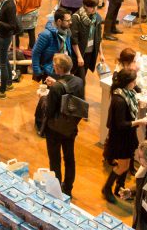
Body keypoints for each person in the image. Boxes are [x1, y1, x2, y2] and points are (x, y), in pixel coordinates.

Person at [42, 54, 84, 196]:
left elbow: (49, 111)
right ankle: (68, 189)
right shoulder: (79, 81)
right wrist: (56, 84)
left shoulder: (56, 88)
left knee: (55, 161)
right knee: (69, 158)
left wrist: (44, 98)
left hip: (54, 129)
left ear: (59, 69)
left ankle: (56, 191)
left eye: (54, 66)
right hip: (70, 127)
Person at [103, 69, 147, 203]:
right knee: (122, 166)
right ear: (127, 83)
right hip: (120, 138)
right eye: (133, 81)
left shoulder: (128, 94)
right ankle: (107, 188)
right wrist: (139, 121)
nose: (135, 84)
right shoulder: (119, 100)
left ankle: (119, 187)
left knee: (127, 163)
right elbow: (121, 124)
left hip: (128, 135)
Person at [32, 9, 74, 82]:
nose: (70, 22)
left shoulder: (67, 31)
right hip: (51, 71)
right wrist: (38, 71)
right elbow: (36, 53)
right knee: (52, 92)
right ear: (59, 21)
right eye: (67, 21)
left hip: (64, 69)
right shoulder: (46, 35)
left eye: (70, 20)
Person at [70, 0, 105, 78]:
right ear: (85, 6)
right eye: (92, 7)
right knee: (80, 78)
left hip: (90, 52)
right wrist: (79, 56)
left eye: (95, 6)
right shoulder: (76, 18)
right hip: (79, 52)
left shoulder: (97, 17)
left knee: (83, 75)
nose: (94, 9)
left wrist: (101, 54)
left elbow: (98, 38)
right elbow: (74, 40)